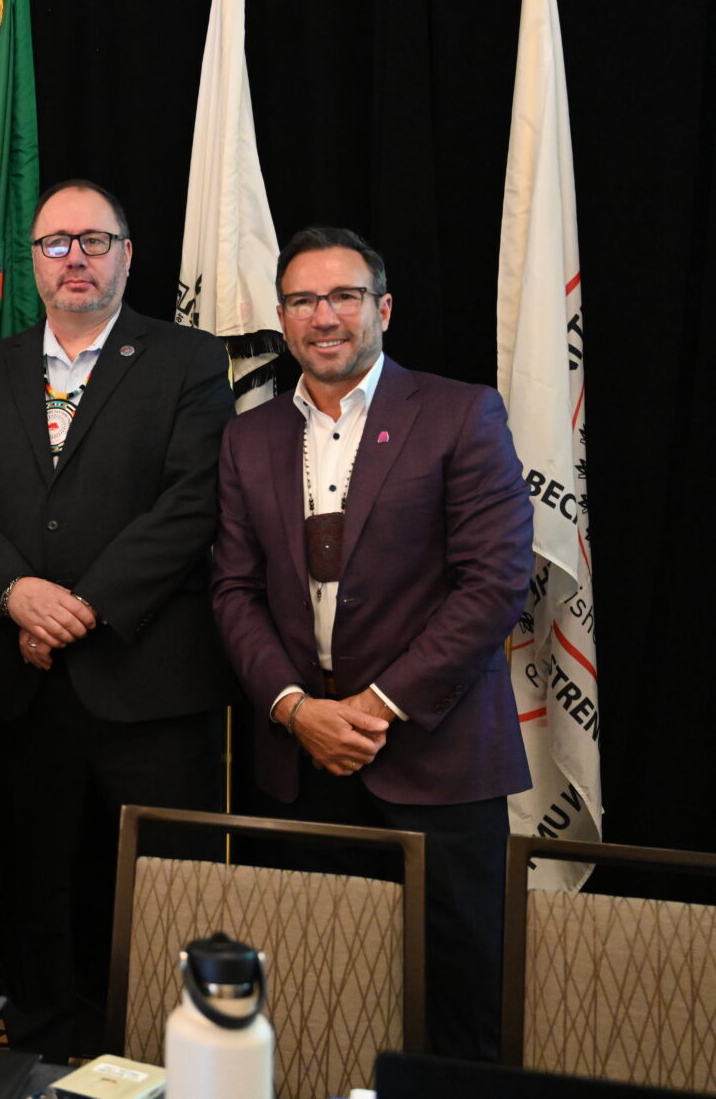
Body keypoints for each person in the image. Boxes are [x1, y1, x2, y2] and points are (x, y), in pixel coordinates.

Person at [0, 178, 236, 1059]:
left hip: (148, 684)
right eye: (55, 243)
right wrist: (15, 594)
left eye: (94, 241)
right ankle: (39, 1053)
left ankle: (161, 1055)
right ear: (32, 261)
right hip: (21, 686)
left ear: (127, 255)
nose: (75, 258)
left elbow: (192, 503)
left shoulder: (189, 360)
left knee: (162, 890)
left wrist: (85, 606)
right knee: (35, 888)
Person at [211, 226, 532, 1060]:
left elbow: (495, 582)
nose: (324, 316)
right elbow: (234, 591)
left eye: (343, 296)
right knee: (323, 1000)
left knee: (459, 1008)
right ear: (283, 318)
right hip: (302, 767)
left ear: (382, 309)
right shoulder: (248, 437)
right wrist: (295, 709)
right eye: (302, 300)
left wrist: (373, 708)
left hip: (437, 761)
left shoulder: (461, 413)